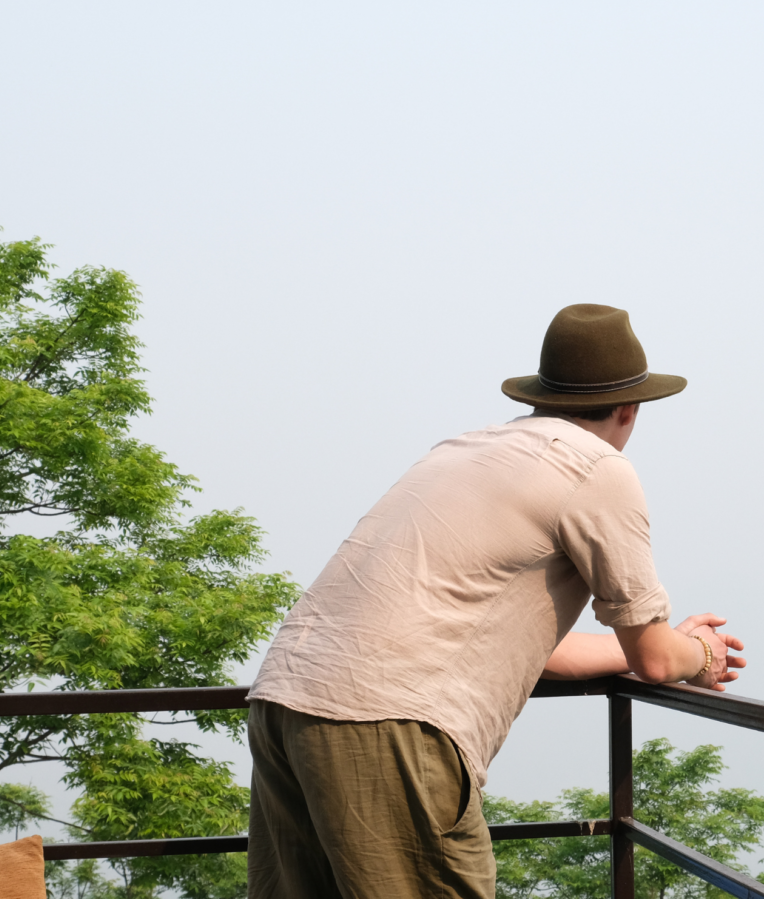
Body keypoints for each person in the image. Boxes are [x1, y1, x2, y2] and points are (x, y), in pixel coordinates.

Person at [246, 303, 745, 899]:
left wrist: (642, 650)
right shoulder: (597, 468)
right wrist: (700, 653)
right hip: (388, 722)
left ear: (542, 397)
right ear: (629, 409)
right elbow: (659, 661)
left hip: (285, 702)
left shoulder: (464, 449)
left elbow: (533, 649)